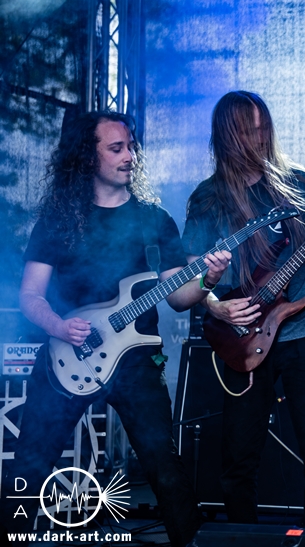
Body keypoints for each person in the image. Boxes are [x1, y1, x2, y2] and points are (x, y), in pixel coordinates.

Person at [4, 111, 229, 546]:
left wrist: (208, 279)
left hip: (136, 360)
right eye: (116, 148)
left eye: (131, 147)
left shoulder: (154, 220)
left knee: (165, 466)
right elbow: (30, 296)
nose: (130, 157)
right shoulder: (59, 219)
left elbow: (178, 296)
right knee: (29, 464)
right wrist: (59, 326)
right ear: (88, 157)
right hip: (67, 354)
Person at [182, 91, 305, 529]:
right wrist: (217, 308)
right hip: (243, 338)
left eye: (264, 126)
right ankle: (242, 538)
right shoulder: (208, 198)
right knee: (238, 456)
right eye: (249, 129)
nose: (261, 136)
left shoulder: (295, 181)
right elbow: (192, 278)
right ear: (227, 135)